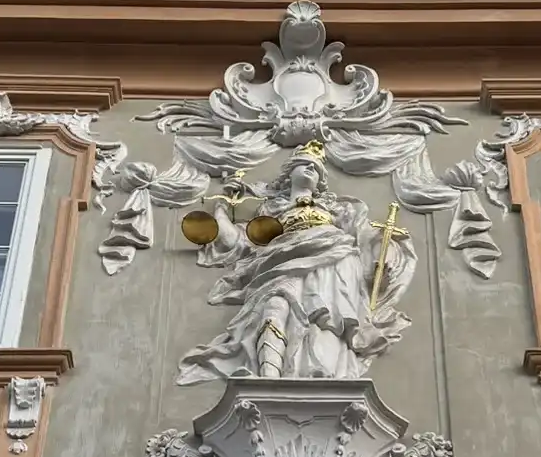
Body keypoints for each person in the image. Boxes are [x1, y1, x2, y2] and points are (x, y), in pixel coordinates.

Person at [176, 155, 416, 383]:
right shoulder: (270, 211)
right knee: (274, 307)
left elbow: (367, 239)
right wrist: (221, 207)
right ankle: (267, 380)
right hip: (281, 261)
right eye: (304, 164)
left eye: (316, 167)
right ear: (289, 174)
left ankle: (320, 373)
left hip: (334, 260)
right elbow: (239, 243)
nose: (312, 168)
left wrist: (380, 267)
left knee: (323, 318)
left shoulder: (338, 209)